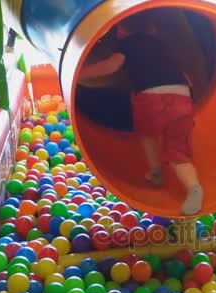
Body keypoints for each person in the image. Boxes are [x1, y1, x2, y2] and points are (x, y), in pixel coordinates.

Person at [78, 15, 203, 215]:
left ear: (122, 29)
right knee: (178, 152)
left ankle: (155, 172)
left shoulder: (128, 43)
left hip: (152, 99)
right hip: (182, 98)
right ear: (152, 28)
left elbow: (111, 65)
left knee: (146, 130)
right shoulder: (161, 46)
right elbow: (187, 76)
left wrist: (80, 73)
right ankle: (194, 188)